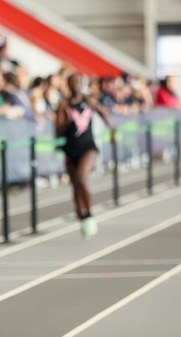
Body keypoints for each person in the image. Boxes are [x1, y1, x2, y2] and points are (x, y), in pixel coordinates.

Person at [56, 72, 115, 239]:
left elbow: (102, 112)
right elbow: (57, 131)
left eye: (77, 82)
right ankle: (81, 216)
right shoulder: (63, 105)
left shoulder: (88, 101)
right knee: (75, 185)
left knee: (81, 179)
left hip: (88, 147)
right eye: (72, 82)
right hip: (70, 149)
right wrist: (67, 121)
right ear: (68, 85)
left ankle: (89, 214)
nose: (75, 85)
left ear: (81, 84)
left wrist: (111, 129)